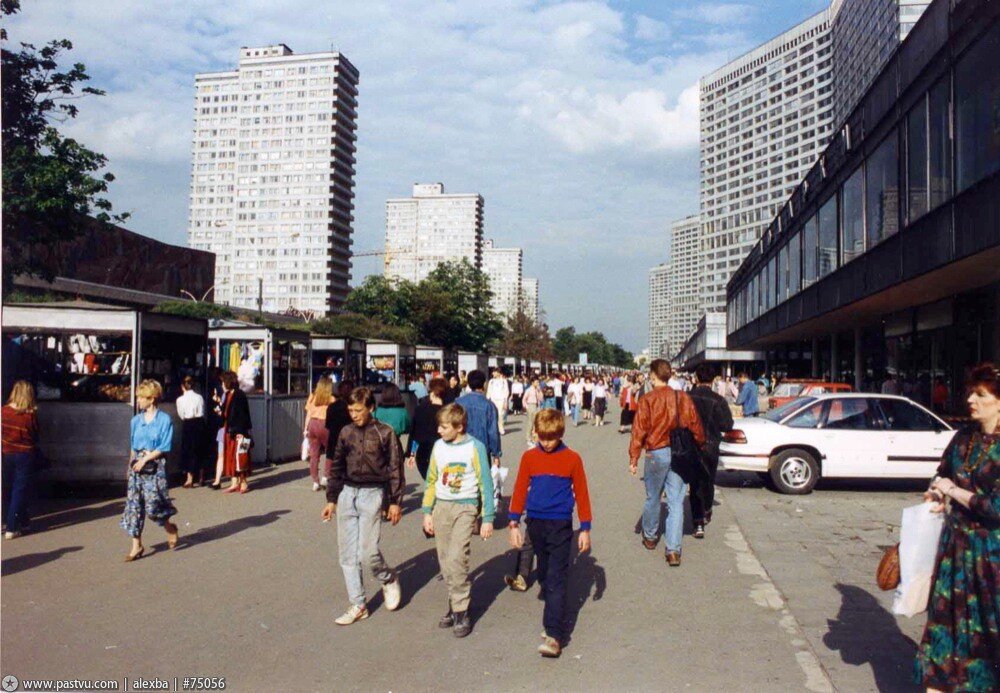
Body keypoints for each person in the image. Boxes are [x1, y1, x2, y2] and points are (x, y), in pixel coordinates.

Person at [914, 363, 999, 692]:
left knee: (987, 635)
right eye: (970, 393)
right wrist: (936, 492)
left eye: (980, 395)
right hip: (955, 554)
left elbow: (995, 507)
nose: (970, 400)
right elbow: (942, 473)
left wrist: (951, 491)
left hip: (992, 560)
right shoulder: (963, 438)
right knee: (944, 629)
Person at [508, 409, 592, 658]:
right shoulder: (529, 458)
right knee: (544, 572)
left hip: (561, 524)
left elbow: (582, 493)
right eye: (542, 437)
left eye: (551, 438)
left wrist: (585, 527)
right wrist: (514, 523)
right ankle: (548, 593)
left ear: (561, 434)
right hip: (535, 523)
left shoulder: (572, 459)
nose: (545, 443)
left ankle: (554, 635)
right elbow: (520, 488)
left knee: (556, 579)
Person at [322, 387, 405, 625]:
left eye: (358, 410)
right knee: (347, 554)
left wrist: (394, 502)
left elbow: (394, 468)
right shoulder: (345, 432)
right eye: (350, 410)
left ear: (371, 408)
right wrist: (331, 499)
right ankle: (358, 604)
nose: (354, 415)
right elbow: (336, 466)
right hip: (348, 494)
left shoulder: (385, 433)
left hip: (373, 494)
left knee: (368, 552)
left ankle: (387, 578)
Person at [421, 403, 495, 638]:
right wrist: (427, 511)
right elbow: (432, 480)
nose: (439, 431)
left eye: (443, 427)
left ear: (459, 427)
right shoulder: (438, 447)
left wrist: (487, 517)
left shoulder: (475, 447)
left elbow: (486, 482)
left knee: (457, 558)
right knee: (444, 560)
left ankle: (462, 610)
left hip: (466, 506)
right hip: (441, 506)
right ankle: (454, 603)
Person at [629, 359, 706, 567]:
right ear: (670, 375)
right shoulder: (682, 397)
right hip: (680, 452)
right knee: (675, 501)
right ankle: (673, 550)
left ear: (653, 375)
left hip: (656, 452)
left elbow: (639, 430)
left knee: (653, 496)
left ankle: (651, 536)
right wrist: (701, 444)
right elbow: (695, 424)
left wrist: (634, 457)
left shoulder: (647, 400)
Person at [121, 379, 179, 561]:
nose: (138, 401)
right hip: (137, 467)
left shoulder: (164, 420)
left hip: (154, 466)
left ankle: (169, 526)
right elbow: (133, 446)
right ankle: (136, 545)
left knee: (154, 505)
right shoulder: (136, 421)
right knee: (134, 506)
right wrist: (130, 466)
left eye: (141, 398)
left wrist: (145, 459)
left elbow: (164, 446)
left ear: (152, 399)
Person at [689, 364, 734, 538]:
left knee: (694, 484)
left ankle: (697, 522)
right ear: (714, 379)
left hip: (692, 445)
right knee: (708, 480)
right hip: (711, 445)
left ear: (696, 378)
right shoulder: (719, 400)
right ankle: (707, 508)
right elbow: (727, 425)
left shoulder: (687, 397)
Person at [2, 381, 39, 539]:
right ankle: (12, 526)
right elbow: (36, 435)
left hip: (6, 453)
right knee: (20, 489)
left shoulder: (3, 412)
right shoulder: (30, 415)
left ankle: (22, 521)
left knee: (9, 489)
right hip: (25, 455)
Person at [455, 370, 502, 471]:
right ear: (484, 384)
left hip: (460, 448)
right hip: (482, 450)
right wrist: (496, 454)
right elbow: (493, 432)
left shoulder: (458, 402)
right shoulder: (489, 405)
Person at [407, 377, 446, 480]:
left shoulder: (420, 409)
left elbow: (414, 434)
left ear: (431, 392)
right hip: (444, 452)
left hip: (423, 453)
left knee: (429, 481)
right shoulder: (449, 411)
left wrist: (412, 454)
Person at [220, 370, 253, 494]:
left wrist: (241, 430)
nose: (222, 384)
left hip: (239, 431)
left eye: (223, 381)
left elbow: (242, 415)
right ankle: (234, 482)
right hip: (230, 430)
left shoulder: (239, 395)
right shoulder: (228, 394)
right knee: (231, 457)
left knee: (241, 456)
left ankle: (243, 482)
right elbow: (226, 413)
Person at [176, 376, 207, 488]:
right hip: (199, 423)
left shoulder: (180, 400)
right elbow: (202, 411)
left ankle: (190, 478)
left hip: (188, 424)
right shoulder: (199, 397)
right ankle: (201, 476)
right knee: (200, 449)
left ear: (182, 386)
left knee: (189, 450)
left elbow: (181, 414)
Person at [305, 377, 333, 492]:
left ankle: (315, 481)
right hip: (325, 424)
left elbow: (308, 414)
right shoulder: (331, 399)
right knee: (330, 451)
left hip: (312, 424)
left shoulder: (313, 397)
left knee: (314, 454)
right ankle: (326, 476)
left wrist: (305, 429)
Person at [324, 381, 353, 485]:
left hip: (334, 438)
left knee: (335, 464)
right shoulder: (353, 408)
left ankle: (333, 482)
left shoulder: (332, 407)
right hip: (350, 440)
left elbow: (327, 425)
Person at [487, 370, 510, 435]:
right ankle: (494, 429)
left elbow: (506, 391)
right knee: (493, 415)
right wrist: (488, 399)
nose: (493, 373)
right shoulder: (491, 381)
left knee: (500, 415)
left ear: (498, 373)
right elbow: (489, 391)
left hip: (501, 400)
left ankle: (501, 429)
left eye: (494, 372)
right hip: (493, 400)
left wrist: (505, 401)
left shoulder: (503, 381)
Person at [522, 378, 543, 447]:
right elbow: (524, 399)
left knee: (536, 423)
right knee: (530, 422)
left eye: (538, 382)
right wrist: (527, 407)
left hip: (537, 406)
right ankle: (528, 438)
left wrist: (539, 391)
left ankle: (535, 438)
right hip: (531, 405)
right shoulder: (528, 390)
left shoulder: (537, 390)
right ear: (532, 382)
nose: (538, 384)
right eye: (536, 382)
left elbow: (541, 399)